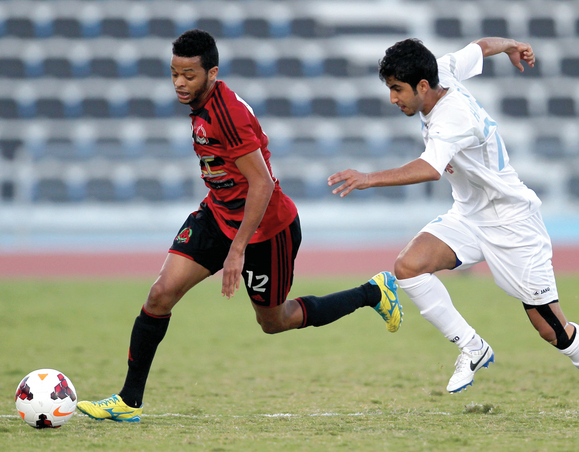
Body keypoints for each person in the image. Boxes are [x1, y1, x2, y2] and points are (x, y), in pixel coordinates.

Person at [77, 29, 402, 422]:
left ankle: (372, 292)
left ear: (211, 73)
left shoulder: (226, 114)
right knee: (160, 295)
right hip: (217, 215)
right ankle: (128, 401)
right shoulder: (201, 103)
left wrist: (237, 250)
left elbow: (262, 184)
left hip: (267, 230)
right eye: (174, 73)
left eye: (189, 75)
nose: (180, 83)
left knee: (274, 321)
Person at [328, 37, 579, 424]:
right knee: (409, 266)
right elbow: (480, 46)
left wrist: (368, 178)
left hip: (511, 222)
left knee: (550, 327)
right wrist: (511, 46)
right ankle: (472, 346)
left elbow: (430, 168)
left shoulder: (451, 117)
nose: (393, 99)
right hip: (470, 215)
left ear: (423, 86)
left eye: (396, 89)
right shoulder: (442, 68)